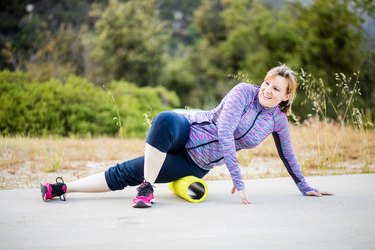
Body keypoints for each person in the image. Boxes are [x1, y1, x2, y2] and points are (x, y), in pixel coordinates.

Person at [40, 64, 334, 208]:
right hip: (188, 130)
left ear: (286, 96)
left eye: (276, 88)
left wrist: (304, 185)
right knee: (165, 118)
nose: (267, 89)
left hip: (195, 164)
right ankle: (146, 188)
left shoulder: (278, 121)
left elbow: (288, 155)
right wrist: (237, 176)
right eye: (267, 82)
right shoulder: (244, 92)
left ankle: (61, 190)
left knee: (124, 172)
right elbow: (224, 131)